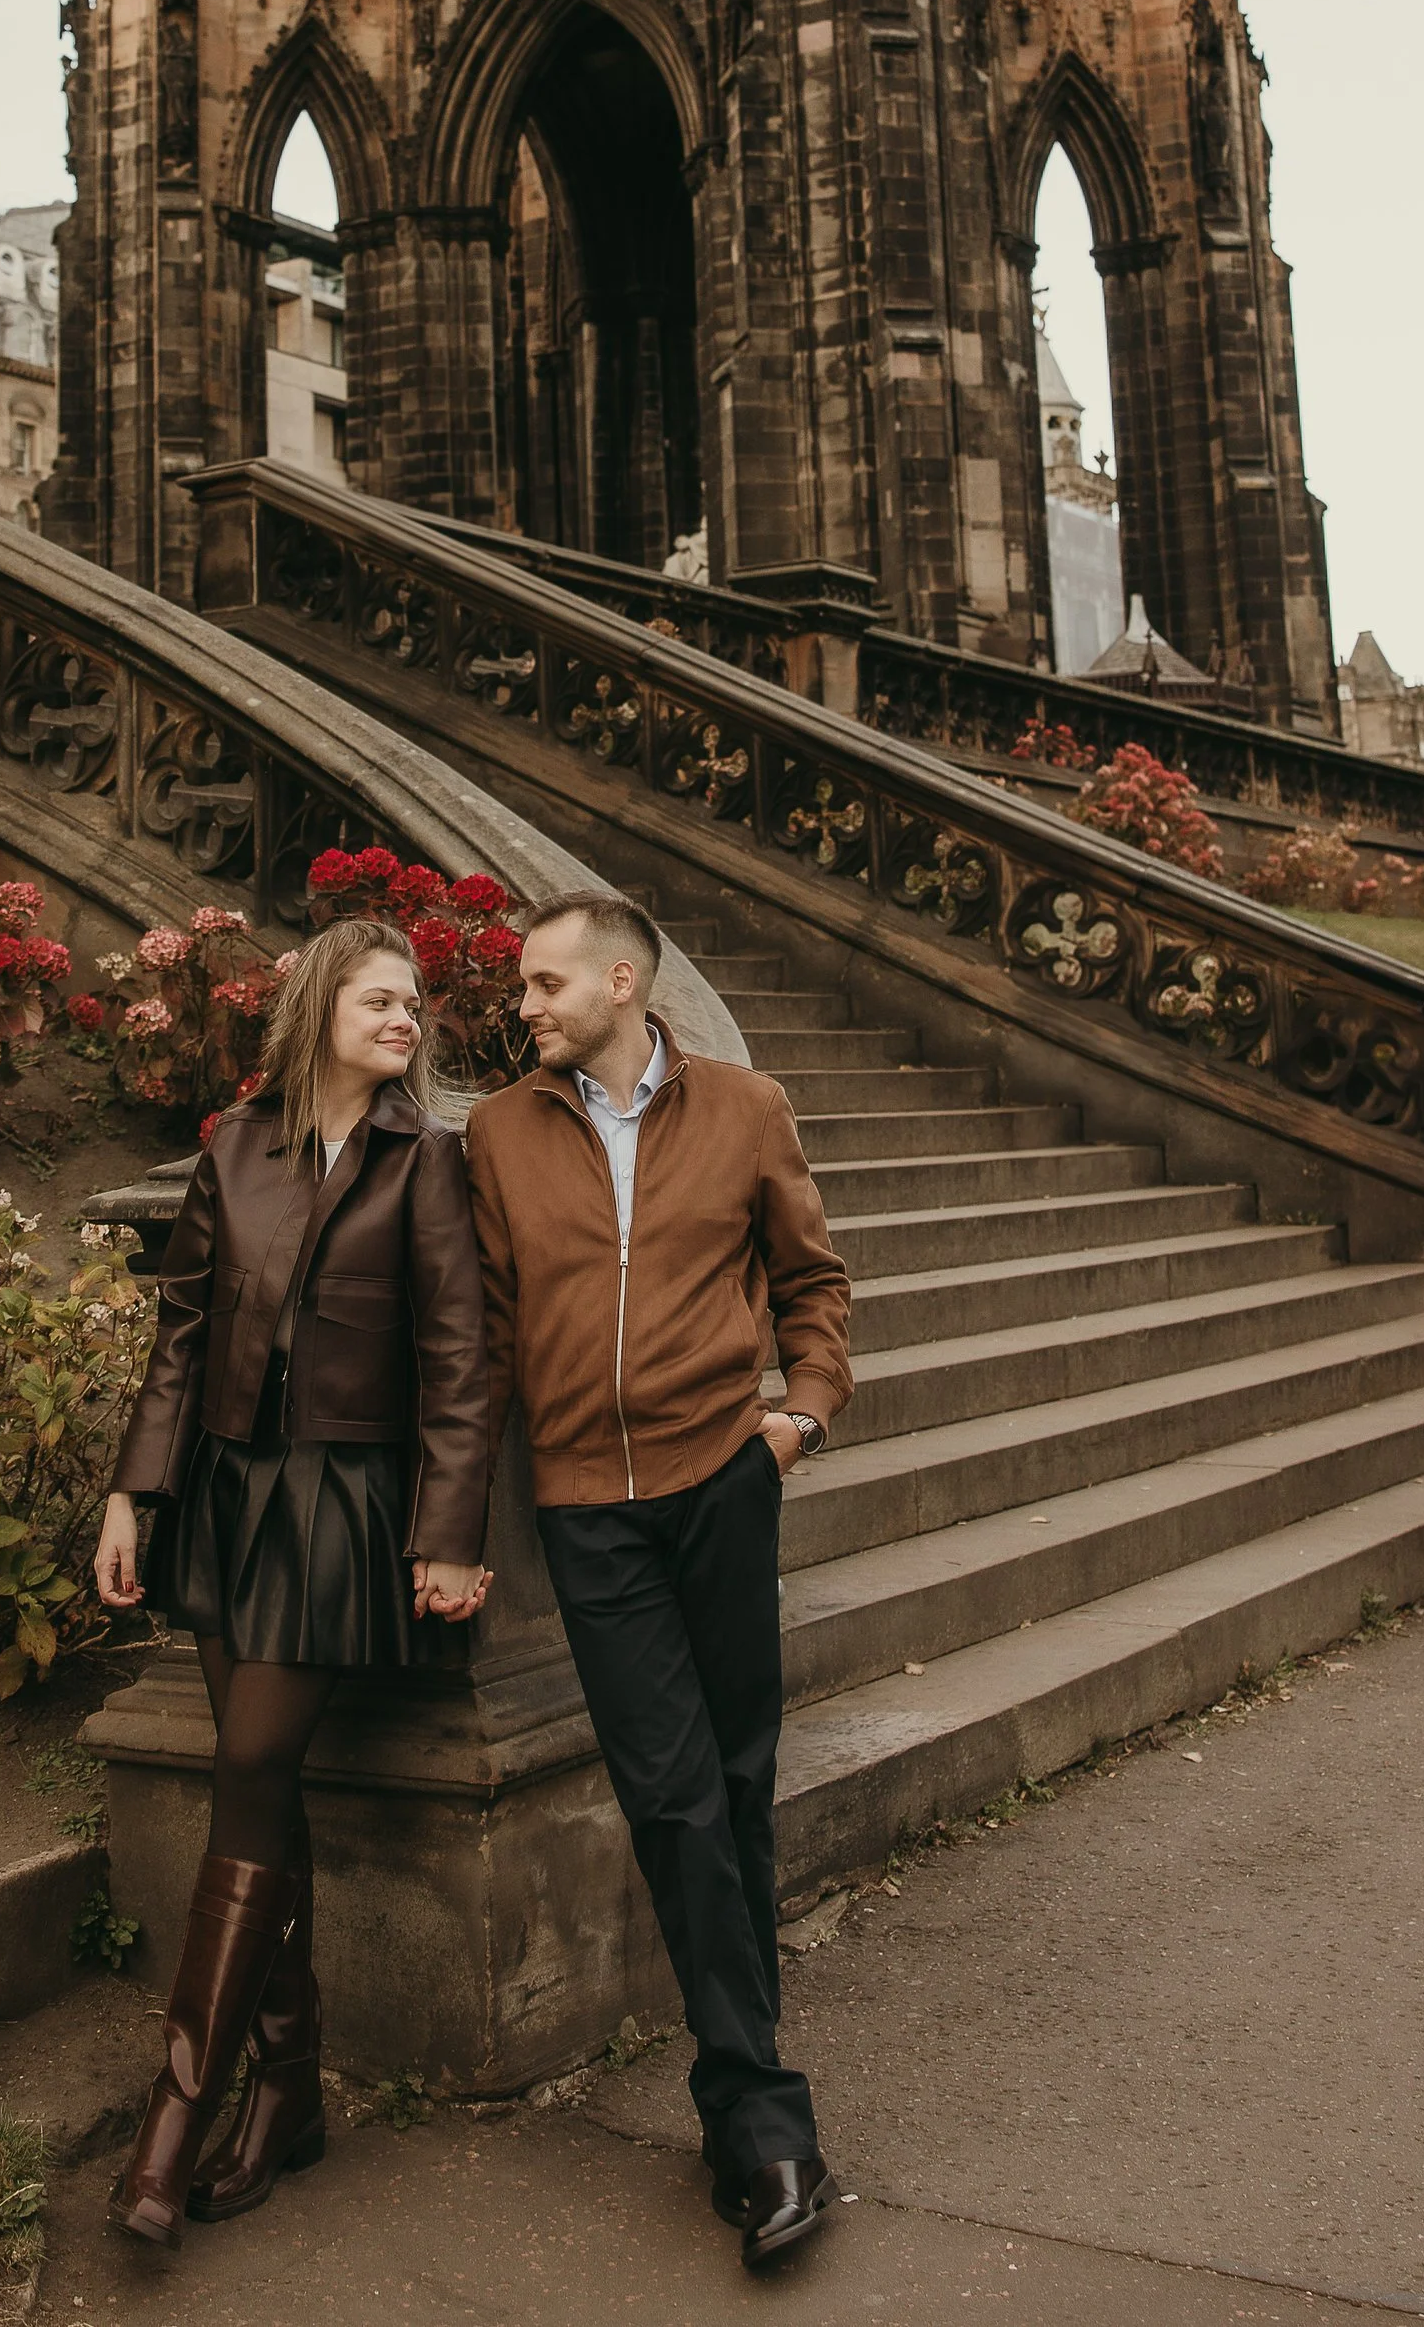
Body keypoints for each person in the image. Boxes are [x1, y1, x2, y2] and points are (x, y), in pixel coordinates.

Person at [468, 891, 853, 2273]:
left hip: (721, 1480)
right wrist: (455, 1518)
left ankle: (737, 2091)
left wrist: (801, 1412)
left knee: (738, 1780)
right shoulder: (500, 1133)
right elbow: (488, 1342)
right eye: (524, 984)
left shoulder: (748, 1105)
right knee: (674, 1792)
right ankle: (763, 2119)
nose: (526, 1001)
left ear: (623, 980)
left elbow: (813, 1279)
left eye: (546, 979)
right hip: (587, 1508)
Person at [93, 918, 493, 2244]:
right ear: (322, 1007)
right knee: (267, 1790)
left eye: (417, 1003)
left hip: (339, 1505)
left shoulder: (425, 1161)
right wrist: (131, 1491)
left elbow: (455, 1358)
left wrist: (447, 1531)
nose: (409, 1018)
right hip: (224, 1495)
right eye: (383, 998)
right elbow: (182, 1334)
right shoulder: (232, 1150)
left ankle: (175, 2118)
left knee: (253, 1767)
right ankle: (292, 2090)